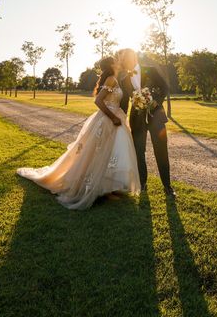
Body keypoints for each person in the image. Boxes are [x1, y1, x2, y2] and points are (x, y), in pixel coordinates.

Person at [16, 56, 140, 209]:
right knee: (101, 153)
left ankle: (110, 187)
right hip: (108, 120)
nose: (118, 62)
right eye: (115, 60)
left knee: (111, 152)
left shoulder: (114, 79)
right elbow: (98, 101)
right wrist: (113, 117)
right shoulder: (111, 80)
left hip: (116, 119)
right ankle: (104, 190)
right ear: (111, 65)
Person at [117, 48, 176, 198]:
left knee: (161, 151)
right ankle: (142, 183)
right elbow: (124, 102)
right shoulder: (124, 80)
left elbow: (165, 87)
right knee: (138, 152)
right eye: (122, 61)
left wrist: (156, 101)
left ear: (133, 58)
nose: (124, 63)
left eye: (125, 59)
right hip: (136, 118)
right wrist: (116, 117)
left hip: (156, 115)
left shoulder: (150, 70)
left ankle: (167, 186)